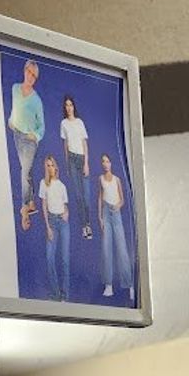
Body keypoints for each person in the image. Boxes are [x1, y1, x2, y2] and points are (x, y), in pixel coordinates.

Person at [8, 60, 44, 231]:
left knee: (24, 171)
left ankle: (24, 209)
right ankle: (31, 202)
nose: (31, 77)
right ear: (24, 71)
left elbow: (42, 126)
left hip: (29, 141)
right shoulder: (15, 88)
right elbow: (15, 108)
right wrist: (11, 120)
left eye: (34, 76)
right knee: (27, 172)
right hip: (17, 135)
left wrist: (34, 136)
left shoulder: (37, 101)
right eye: (29, 72)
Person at [97, 152, 134, 301]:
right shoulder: (100, 179)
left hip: (116, 213)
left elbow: (122, 199)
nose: (106, 164)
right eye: (103, 161)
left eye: (107, 161)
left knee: (122, 248)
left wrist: (118, 205)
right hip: (106, 212)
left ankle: (129, 285)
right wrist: (100, 217)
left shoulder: (117, 179)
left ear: (111, 163)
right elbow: (100, 198)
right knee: (106, 249)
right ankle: (108, 285)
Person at [60, 96, 92, 239]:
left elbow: (84, 143)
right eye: (66, 105)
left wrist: (86, 163)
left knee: (86, 196)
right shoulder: (63, 123)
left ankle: (88, 223)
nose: (69, 108)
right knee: (78, 196)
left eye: (71, 105)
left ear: (74, 107)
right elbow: (65, 145)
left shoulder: (79, 122)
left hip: (82, 159)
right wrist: (67, 164)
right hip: (72, 160)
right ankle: (85, 227)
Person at [40, 154, 70, 301]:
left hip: (63, 223)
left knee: (65, 259)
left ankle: (65, 295)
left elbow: (65, 205)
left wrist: (66, 213)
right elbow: (44, 206)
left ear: (56, 167)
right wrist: (48, 227)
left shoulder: (62, 185)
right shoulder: (43, 184)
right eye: (48, 165)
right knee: (50, 258)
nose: (50, 168)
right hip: (51, 221)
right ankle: (55, 294)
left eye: (52, 165)